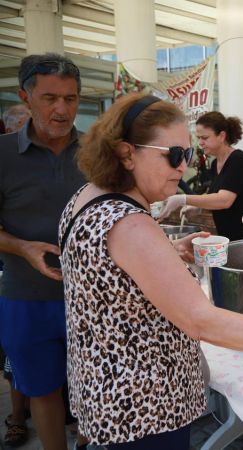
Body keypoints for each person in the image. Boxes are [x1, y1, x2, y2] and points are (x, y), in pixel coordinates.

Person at [59, 93, 243, 449]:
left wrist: (167, 253)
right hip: (143, 407)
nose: (183, 168)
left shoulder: (87, 196)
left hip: (107, 391)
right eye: (173, 155)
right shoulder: (130, 224)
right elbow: (201, 319)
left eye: (188, 155)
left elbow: (109, 271)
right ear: (127, 153)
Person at [0, 53, 86, 450]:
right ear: (26, 96)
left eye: (70, 98)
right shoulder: (2, 156)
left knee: (94, 388)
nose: (62, 109)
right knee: (42, 390)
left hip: (93, 299)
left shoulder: (98, 153)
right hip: (27, 297)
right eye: (50, 98)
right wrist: (21, 247)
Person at [158, 112, 243, 241]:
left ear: (221, 136)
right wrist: (198, 207)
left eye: (204, 138)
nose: (200, 143)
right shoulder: (216, 163)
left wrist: (183, 199)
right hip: (230, 237)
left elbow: (224, 200)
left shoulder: (238, 160)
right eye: (198, 138)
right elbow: (215, 196)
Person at [0, 102, 32, 448]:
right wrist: (22, 247)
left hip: (65, 287)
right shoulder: (5, 158)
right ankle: (17, 418)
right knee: (16, 361)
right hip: (18, 284)